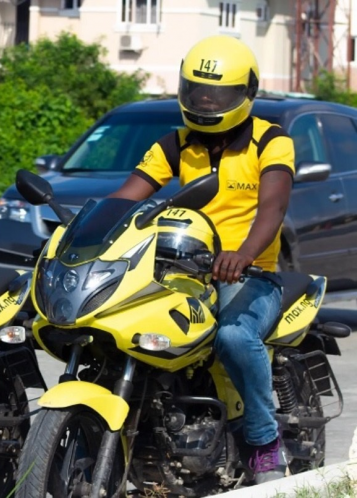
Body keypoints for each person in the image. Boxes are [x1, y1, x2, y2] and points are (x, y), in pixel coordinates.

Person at [109, 35, 294, 483]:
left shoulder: (271, 141)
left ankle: (264, 442)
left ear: (247, 92)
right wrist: (87, 232)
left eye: (219, 93)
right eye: (197, 91)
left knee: (234, 336)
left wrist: (242, 254)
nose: (206, 101)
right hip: (184, 273)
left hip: (251, 274)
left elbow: (272, 209)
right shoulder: (175, 144)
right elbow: (124, 199)